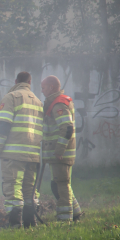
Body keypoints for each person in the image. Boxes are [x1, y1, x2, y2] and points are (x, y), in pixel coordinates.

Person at [0, 72, 44, 228]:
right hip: (32, 154)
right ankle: (30, 223)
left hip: (13, 155)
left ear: (15, 81)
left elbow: (3, 125)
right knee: (29, 189)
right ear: (30, 82)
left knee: (13, 186)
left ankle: (15, 224)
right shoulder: (38, 101)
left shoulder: (11, 98)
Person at [40, 75, 82, 222]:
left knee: (61, 186)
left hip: (60, 155)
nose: (42, 91)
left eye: (43, 87)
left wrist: (59, 150)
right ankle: (76, 213)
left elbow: (67, 127)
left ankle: (65, 220)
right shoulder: (56, 102)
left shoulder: (58, 104)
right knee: (61, 184)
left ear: (51, 87)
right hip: (59, 154)